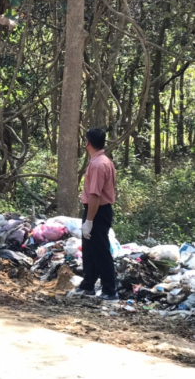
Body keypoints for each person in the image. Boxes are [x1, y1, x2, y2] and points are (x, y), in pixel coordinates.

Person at [74, 128, 119, 302]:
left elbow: (95, 195)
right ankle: (88, 285)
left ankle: (109, 289)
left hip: (97, 211)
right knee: (89, 249)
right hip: (96, 210)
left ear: (88, 142)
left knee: (100, 250)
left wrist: (90, 221)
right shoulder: (104, 161)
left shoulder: (98, 164)